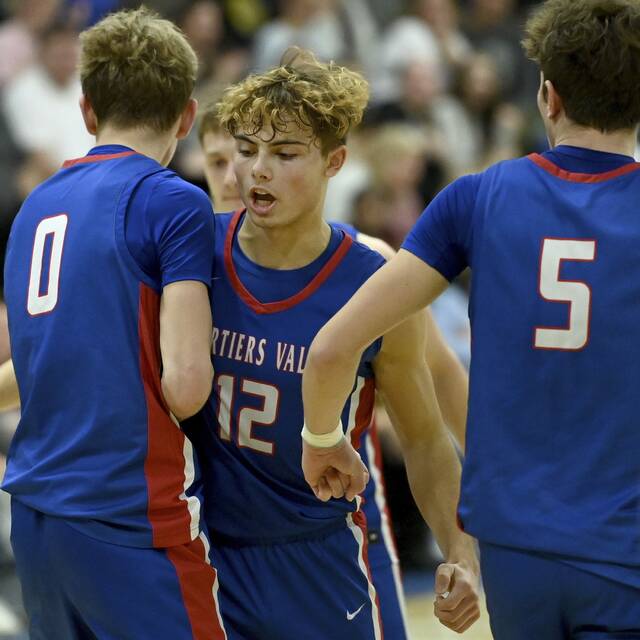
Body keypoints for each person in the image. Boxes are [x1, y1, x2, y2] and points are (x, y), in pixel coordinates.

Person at [301, 1, 640, 638]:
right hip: (626, 551)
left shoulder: (476, 198)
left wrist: (322, 438)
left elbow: (332, 347)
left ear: (548, 96)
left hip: (514, 554)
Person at [182, 48, 479, 640]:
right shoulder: (191, 253)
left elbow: (423, 437)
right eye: (245, 151)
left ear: (334, 162)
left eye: (285, 155)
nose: (257, 171)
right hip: (208, 550)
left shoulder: (375, 278)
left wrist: (461, 551)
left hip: (323, 552)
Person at [2, 8, 227, 639]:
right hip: (130, 513)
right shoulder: (174, 201)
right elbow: (185, 385)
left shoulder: (34, 207)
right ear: (187, 116)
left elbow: (52, 355)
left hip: (38, 516)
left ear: (87, 111)